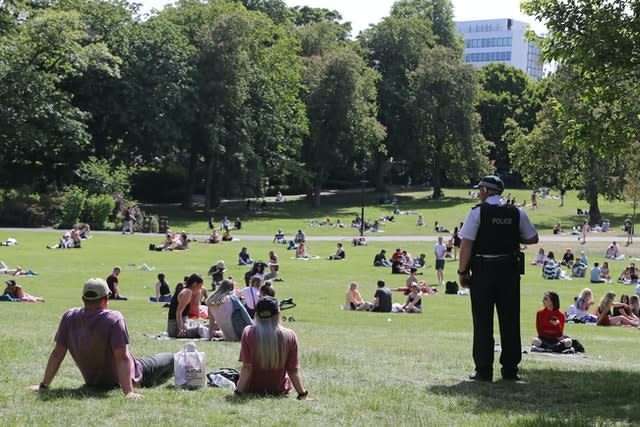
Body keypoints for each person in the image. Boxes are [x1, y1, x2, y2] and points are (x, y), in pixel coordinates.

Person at [31, 278, 173, 398]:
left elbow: (57, 354)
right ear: (106, 299)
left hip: (93, 381)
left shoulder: (69, 317)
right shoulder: (114, 318)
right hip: (133, 374)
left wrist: (43, 385)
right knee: (169, 357)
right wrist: (129, 392)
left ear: (83, 299)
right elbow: (122, 358)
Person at [457, 175, 539, 382]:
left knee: (483, 320)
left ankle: (483, 370)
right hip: (508, 270)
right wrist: (511, 236)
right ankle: (510, 369)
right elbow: (532, 237)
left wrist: (462, 271)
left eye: (480, 190)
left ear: (485, 190)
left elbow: (466, 244)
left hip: (483, 269)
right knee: (510, 319)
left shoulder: (478, 212)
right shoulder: (516, 212)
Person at [234, 296, 310, 399]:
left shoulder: (248, 332)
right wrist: (302, 394)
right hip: (279, 389)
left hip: (252, 388)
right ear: (278, 314)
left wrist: (238, 393)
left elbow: (247, 368)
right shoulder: (290, 335)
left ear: (256, 314)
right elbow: (292, 371)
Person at [167, 274, 204, 338]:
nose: (200, 288)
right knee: (202, 330)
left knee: (206, 326)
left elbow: (194, 309)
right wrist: (181, 329)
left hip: (183, 322)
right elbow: (178, 312)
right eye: (200, 286)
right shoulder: (187, 292)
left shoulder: (187, 290)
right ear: (194, 284)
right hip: (175, 328)